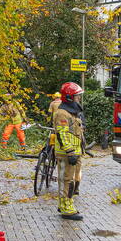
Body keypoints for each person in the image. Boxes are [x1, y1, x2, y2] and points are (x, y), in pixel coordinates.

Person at [51, 81, 86, 220]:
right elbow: (62, 134)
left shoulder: (72, 112)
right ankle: (66, 208)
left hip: (73, 153)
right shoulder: (62, 114)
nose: (79, 99)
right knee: (66, 181)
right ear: (70, 98)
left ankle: (66, 204)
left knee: (70, 180)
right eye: (77, 96)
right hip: (66, 154)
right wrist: (70, 152)